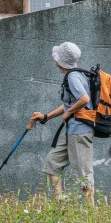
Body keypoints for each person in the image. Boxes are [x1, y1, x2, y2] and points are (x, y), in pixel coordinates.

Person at [29, 41, 95, 204]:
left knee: (84, 175)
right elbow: (68, 104)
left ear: (59, 61)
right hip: (72, 132)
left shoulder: (73, 76)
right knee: (52, 163)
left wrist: (69, 114)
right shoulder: (75, 75)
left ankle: (91, 216)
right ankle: (60, 207)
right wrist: (46, 117)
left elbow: (84, 99)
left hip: (79, 132)